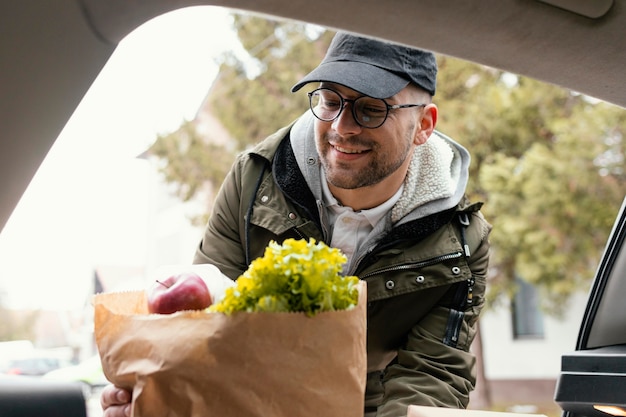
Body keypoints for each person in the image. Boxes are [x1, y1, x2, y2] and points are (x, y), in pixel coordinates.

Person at [101, 31, 491, 417]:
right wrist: (154, 393)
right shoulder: (254, 180)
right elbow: (202, 327)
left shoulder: (462, 242)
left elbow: (431, 374)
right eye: (330, 100)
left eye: (370, 110)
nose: (341, 127)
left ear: (424, 125)